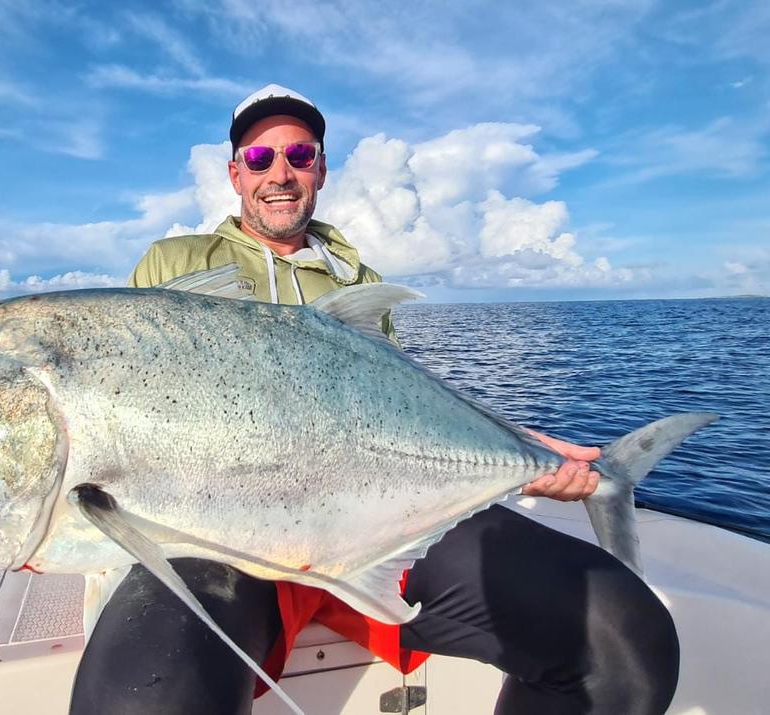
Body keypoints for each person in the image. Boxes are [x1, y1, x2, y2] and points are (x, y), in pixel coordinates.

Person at [69, 85, 679, 715]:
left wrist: (524, 449)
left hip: (378, 518)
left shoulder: (354, 280)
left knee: (621, 639)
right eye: (260, 159)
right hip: (217, 534)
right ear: (234, 174)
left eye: (300, 155)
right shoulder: (172, 266)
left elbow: (405, 408)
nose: (280, 174)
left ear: (321, 169)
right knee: (137, 701)